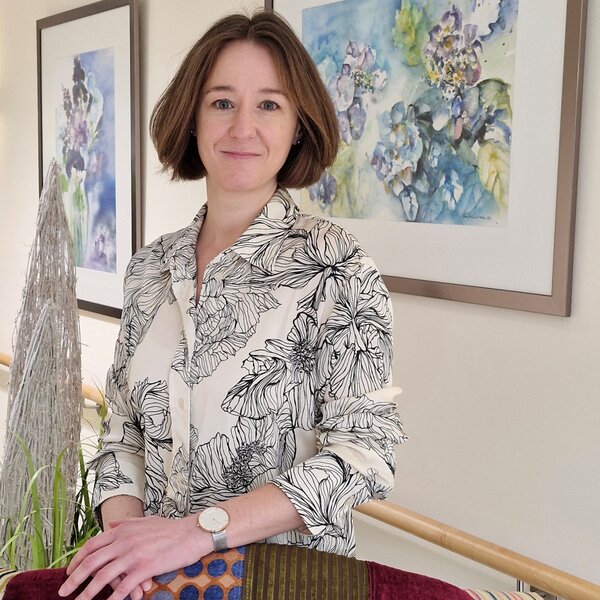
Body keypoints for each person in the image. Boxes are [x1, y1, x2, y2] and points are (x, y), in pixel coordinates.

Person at [59, 9, 405, 600]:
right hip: (156, 588)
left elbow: (366, 452)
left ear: (298, 126)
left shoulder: (338, 266)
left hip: (285, 586)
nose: (243, 127)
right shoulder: (148, 269)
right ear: (192, 118)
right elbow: (121, 438)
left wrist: (196, 533)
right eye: (222, 102)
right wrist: (129, 547)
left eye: (269, 105)